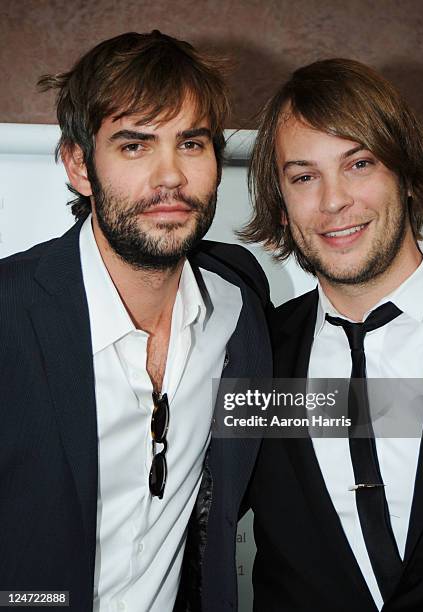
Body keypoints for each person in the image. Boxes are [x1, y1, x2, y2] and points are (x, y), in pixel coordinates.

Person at [0, 30, 271, 612]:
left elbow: (304, 421)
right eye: (134, 145)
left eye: (191, 144)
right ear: (78, 164)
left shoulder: (239, 298)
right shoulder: (10, 312)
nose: (170, 175)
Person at [241, 58, 423, 611]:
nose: (333, 200)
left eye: (359, 163)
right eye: (303, 176)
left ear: (406, 175)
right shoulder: (251, 356)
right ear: (282, 205)